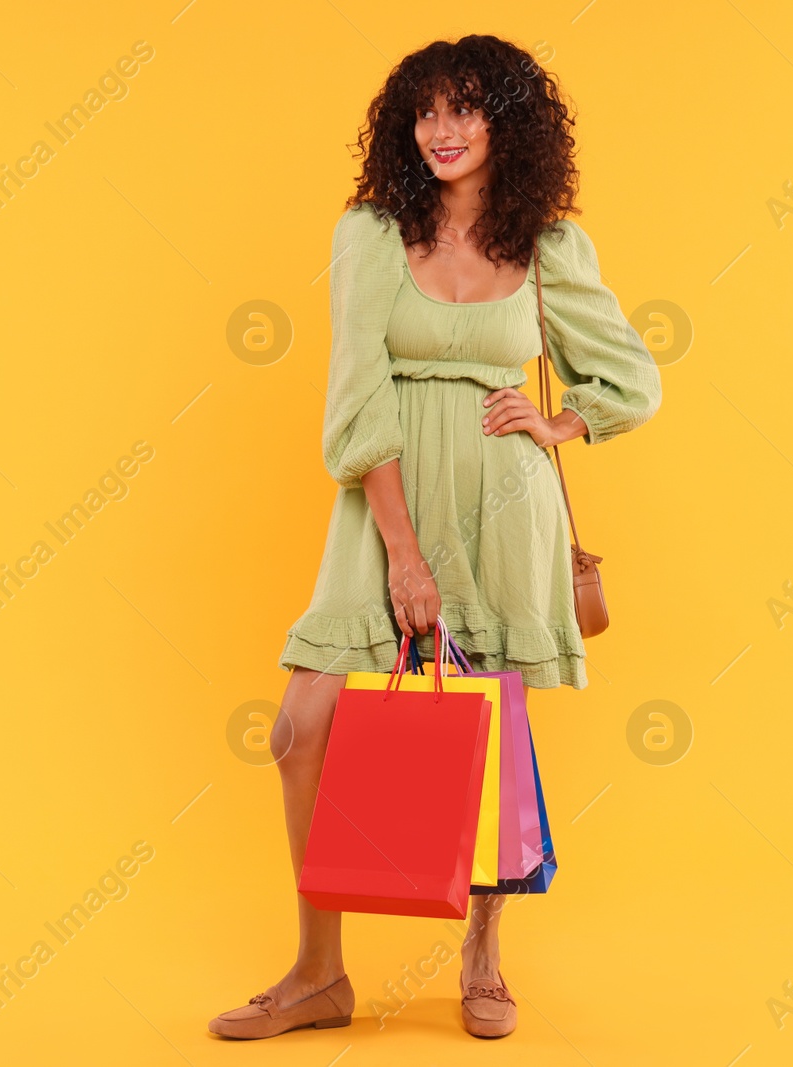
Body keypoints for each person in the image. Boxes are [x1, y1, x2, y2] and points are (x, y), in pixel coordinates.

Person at [210, 33, 661, 1041]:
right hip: (390, 506)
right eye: (425, 110)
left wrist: (557, 423)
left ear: (509, 123)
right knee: (301, 728)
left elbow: (630, 378)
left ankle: (484, 956)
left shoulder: (549, 246)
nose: (443, 130)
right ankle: (319, 971)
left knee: (491, 731)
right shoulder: (372, 231)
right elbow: (357, 394)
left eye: (465, 107)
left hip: (506, 507)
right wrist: (401, 551)